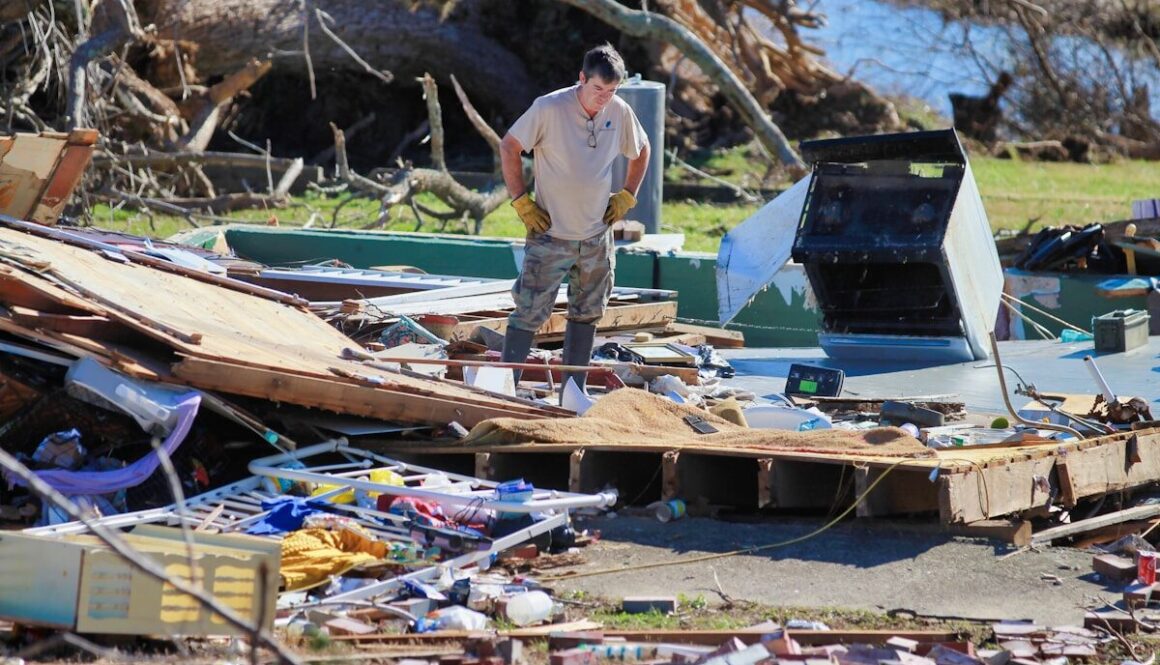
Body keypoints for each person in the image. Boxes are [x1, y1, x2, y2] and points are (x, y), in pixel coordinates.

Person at [498, 43, 651, 399]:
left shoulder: (620, 111)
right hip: (551, 233)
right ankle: (505, 390)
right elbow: (509, 146)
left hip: (595, 236)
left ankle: (573, 392)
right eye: (597, 89)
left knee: (587, 313)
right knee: (528, 312)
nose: (603, 98)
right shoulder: (549, 107)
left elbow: (641, 150)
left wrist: (627, 194)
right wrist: (521, 201)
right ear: (581, 79)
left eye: (611, 91)